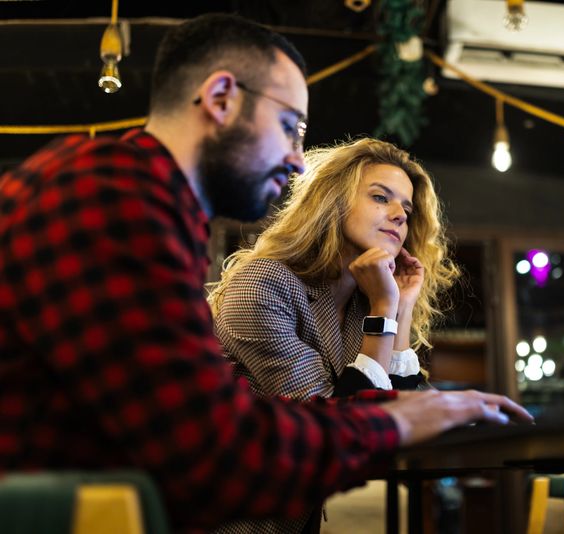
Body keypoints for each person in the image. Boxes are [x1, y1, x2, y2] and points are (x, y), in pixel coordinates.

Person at [0, 12, 531, 532]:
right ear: (221, 98)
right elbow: (218, 453)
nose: (299, 161)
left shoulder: (145, 200)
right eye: (288, 127)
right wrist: (402, 417)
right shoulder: (113, 199)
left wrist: (400, 332)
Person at [208, 138, 459, 401]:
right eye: (380, 197)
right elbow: (332, 420)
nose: (401, 215)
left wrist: (402, 307)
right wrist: (384, 308)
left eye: (407, 209)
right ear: (333, 202)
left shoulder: (364, 302)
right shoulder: (262, 285)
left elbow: (405, 411)